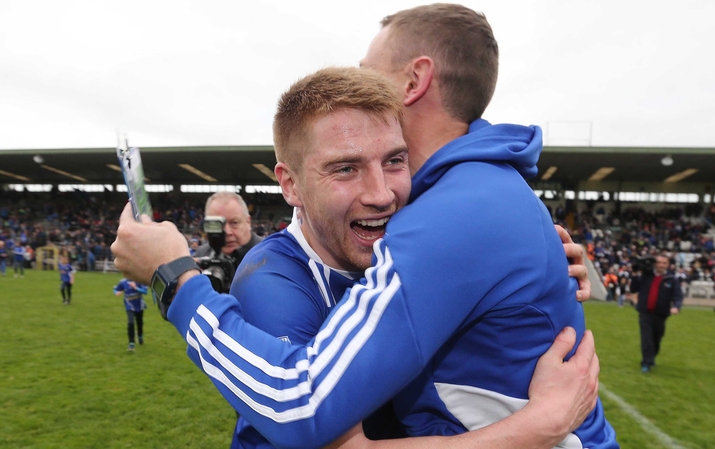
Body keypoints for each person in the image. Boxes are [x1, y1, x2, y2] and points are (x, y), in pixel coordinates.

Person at [112, 5, 616, 449]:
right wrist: (539, 425)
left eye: (394, 159)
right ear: (289, 184)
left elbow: (304, 407)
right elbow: (302, 412)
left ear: (413, 82)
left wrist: (174, 280)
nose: (379, 192)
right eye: (345, 168)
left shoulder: (457, 212)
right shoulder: (278, 275)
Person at [630, 253, 683, 373]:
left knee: (656, 339)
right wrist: (635, 274)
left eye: (664, 263)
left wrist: (676, 307)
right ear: (655, 263)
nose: (661, 265)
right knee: (646, 338)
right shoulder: (646, 276)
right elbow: (634, 288)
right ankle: (646, 363)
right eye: (659, 263)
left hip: (661, 314)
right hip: (645, 312)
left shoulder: (671, 279)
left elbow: (678, 296)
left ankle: (651, 357)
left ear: (668, 265)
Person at [194, 192, 263, 267]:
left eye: (234, 223)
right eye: (217, 225)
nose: (227, 232)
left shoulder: (270, 253)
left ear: (248, 222)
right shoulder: (201, 255)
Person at [114, 278, 149, 351]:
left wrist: (135, 287)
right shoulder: (123, 282)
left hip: (139, 305)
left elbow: (145, 292)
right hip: (129, 306)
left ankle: (140, 336)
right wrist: (116, 292)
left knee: (139, 322)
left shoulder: (139, 280)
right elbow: (116, 289)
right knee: (130, 322)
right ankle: (131, 344)